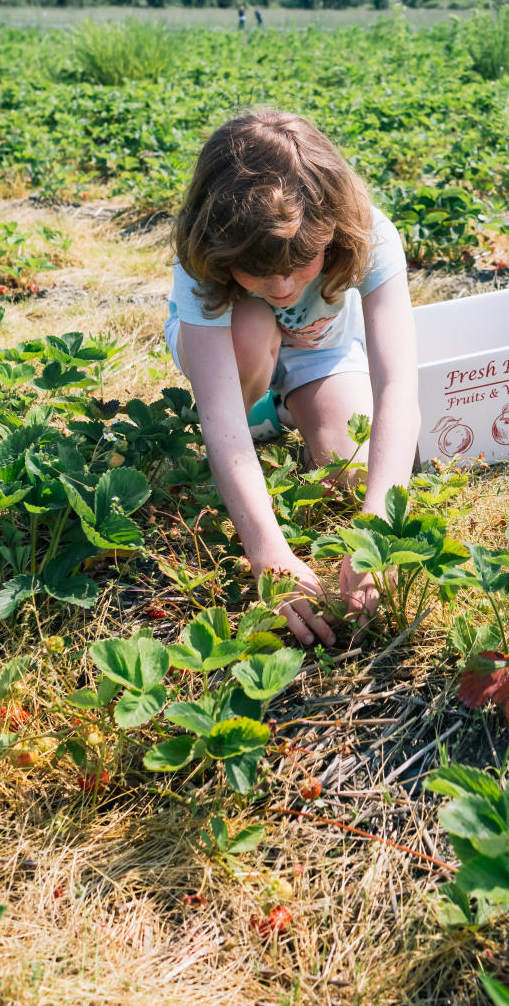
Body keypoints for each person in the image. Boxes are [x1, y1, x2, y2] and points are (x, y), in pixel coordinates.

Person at [165, 110, 420, 648]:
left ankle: (283, 411)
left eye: (301, 263)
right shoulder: (203, 263)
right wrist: (267, 551)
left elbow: (397, 383)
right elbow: (218, 418)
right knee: (256, 325)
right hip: (234, 345)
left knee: (345, 467)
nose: (281, 286)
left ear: (333, 230)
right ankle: (257, 401)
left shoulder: (372, 235)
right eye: (259, 271)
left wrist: (380, 531)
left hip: (319, 352)